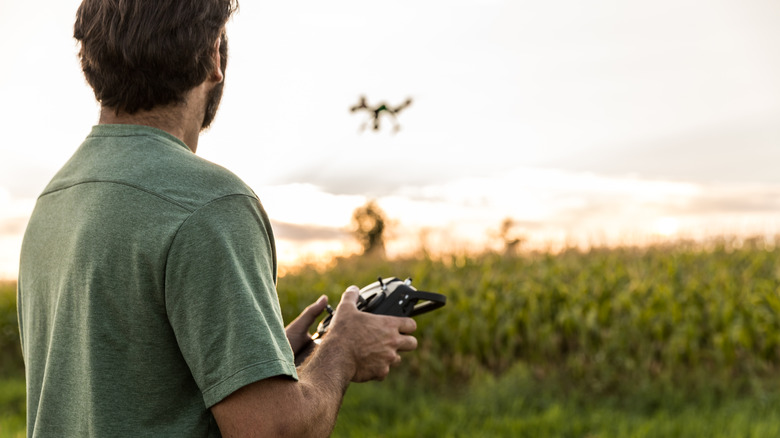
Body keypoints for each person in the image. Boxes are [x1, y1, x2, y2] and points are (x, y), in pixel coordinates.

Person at [16, 1, 418, 436]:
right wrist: (342, 350)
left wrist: (264, 358)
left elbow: (121, 386)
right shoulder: (209, 204)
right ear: (212, 56)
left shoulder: (55, 199)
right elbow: (272, 431)